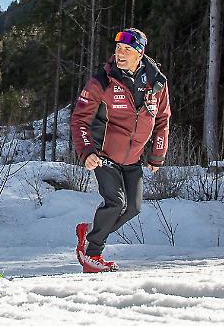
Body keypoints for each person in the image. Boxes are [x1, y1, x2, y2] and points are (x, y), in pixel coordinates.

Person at [70, 27, 171, 273]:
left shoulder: (157, 84)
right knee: (115, 202)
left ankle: (90, 237)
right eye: (117, 49)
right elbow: (79, 120)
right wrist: (87, 152)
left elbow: (162, 120)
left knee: (134, 207)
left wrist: (157, 155)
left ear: (140, 53)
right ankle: (92, 256)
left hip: (134, 158)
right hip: (104, 155)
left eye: (127, 49)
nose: (120, 54)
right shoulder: (102, 81)